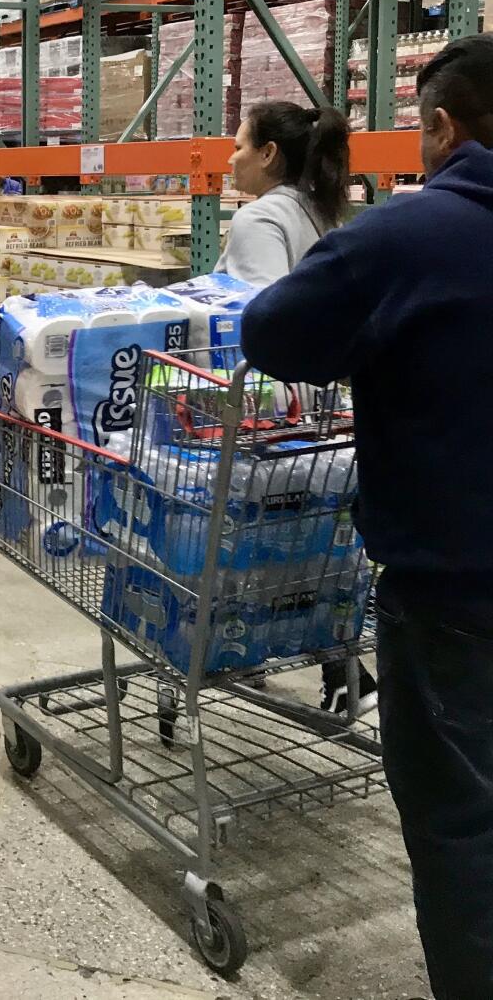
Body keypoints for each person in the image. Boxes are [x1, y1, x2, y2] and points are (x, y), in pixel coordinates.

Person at [240, 34, 493, 1000]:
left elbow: (274, 332)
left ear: (438, 126)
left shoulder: (410, 235)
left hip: (455, 585)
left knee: (463, 820)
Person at [217, 100, 375, 716]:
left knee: (256, 538)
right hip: (322, 406)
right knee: (305, 539)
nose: (229, 158)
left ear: (268, 155)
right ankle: (341, 669)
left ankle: (256, 652)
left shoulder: (260, 219)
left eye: (238, 145)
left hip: (268, 415)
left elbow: (260, 322)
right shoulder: (323, 210)